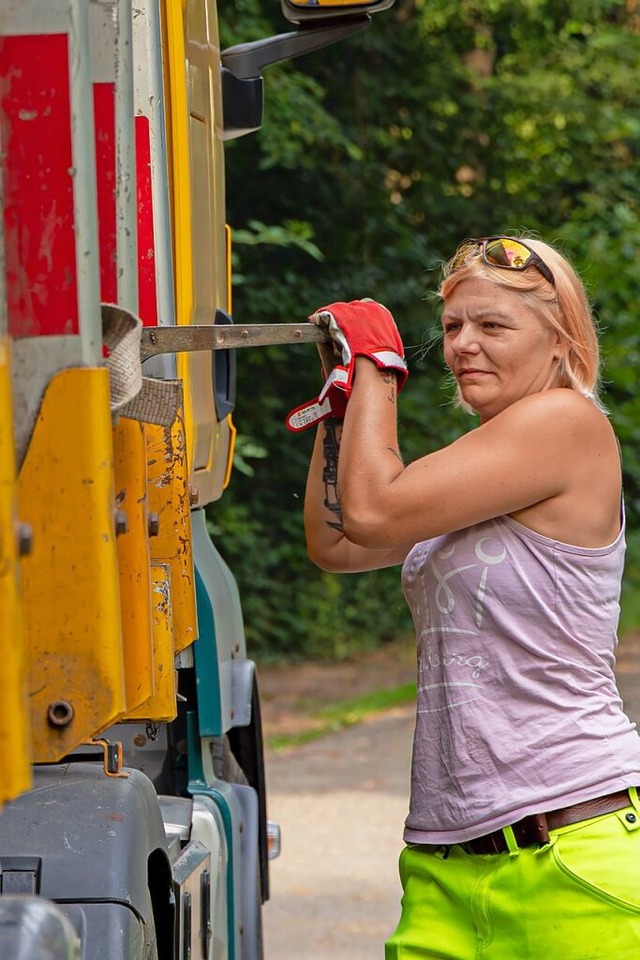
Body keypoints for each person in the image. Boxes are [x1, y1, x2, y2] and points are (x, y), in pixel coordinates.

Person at [294, 236, 640, 959]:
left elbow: (374, 511)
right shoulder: (484, 463)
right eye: (452, 328)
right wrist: (346, 404)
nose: (462, 346)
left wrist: (379, 374)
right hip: (442, 863)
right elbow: (340, 543)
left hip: (571, 859)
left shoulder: (567, 425)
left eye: (492, 326)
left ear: (561, 341)